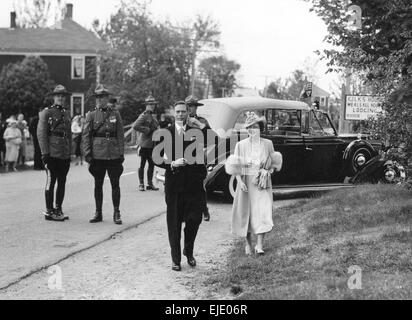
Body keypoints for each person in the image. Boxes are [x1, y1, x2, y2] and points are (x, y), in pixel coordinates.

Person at [153, 101, 208, 271]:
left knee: (194, 220)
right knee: (174, 223)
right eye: (177, 112)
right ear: (173, 113)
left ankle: (188, 250)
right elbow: (156, 157)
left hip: (193, 185)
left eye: (183, 111)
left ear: (187, 113)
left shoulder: (196, 132)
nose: (180, 114)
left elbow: (201, 158)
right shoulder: (165, 133)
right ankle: (175, 259)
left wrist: (201, 177)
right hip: (174, 185)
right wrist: (171, 163)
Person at [226, 112, 282, 256]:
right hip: (246, 182)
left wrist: (268, 172)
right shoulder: (240, 145)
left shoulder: (267, 144)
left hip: (262, 183)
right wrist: (239, 181)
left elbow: (273, 163)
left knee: (263, 212)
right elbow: (235, 167)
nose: (252, 129)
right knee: (246, 213)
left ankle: (260, 245)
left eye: (255, 126)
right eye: (249, 127)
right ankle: (248, 243)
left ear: (260, 127)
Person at [82, 84, 125, 225]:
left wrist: (121, 152)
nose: (100, 100)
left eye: (103, 97)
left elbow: (120, 135)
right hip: (97, 155)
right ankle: (98, 212)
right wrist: (87, 154)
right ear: (96, 99)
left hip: (113, 154)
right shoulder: (91, 115)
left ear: (107, 99)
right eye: (98, 97)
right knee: (98, 184)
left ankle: (117, 212)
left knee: (115, 184)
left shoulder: (115, 114)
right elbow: (86, 136)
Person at [37, 85, 72, 222]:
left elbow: (68, 135)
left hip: (64, 153)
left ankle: (58, 208)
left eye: (63, 96)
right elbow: (41, 134)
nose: (61, 98)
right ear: (54, 97)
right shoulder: (47, 113)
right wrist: (45, 154)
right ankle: (49, 211)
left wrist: (69, 153)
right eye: (58, 96)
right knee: (51, 182)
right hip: (52, 153)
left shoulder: (67, 113)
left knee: (62, 182)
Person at [185, 95, 212, 222]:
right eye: (188, 106)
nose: (189, 108)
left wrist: (199, 125)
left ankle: (204, 210)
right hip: (184, 156)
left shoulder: (202, 120)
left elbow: (211, 136)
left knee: (199, 186)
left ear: (196, 108)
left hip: (199, 155)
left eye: (192, 106)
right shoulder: (181, 120)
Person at [133, 95, 160, 192]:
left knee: (152, 164)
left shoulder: (153, 116)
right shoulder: (143, 116)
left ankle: (150, 183)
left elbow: (157, 127)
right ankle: (141, 183)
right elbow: (135, 126)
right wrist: (147, 130)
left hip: (152, 145)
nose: (152, 106)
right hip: (144, 144)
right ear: (146, 105)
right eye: (150, 104)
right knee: (142, 164)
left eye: (153, 104)